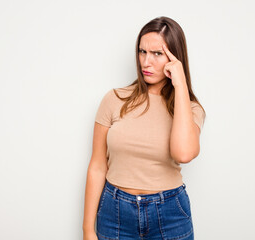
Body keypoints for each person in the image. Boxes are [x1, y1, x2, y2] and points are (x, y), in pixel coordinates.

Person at [82, 16, 206, 240]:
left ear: (175, 58)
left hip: (170, 214)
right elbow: (98, 165)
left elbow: (184, 153)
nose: (146, 62)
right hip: (114, 212)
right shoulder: (114, 99)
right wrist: (87, 230)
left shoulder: (190, 108)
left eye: (158, 54)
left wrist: (180, 85)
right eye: (142, 52)